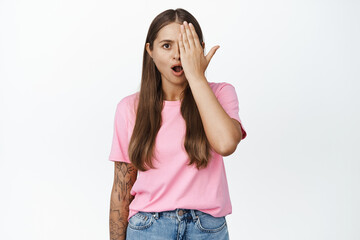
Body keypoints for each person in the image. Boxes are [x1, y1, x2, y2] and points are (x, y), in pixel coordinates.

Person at [108, 8, 247, 240]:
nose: (177, 55)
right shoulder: (129, 108)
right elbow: (121, 189)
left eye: (185, 46)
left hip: (207, 229)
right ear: (150, 50)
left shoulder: (221, 93)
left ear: (199, 49)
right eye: (166, 45)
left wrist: (196, 76)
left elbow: (225, 144)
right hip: (148, 228)